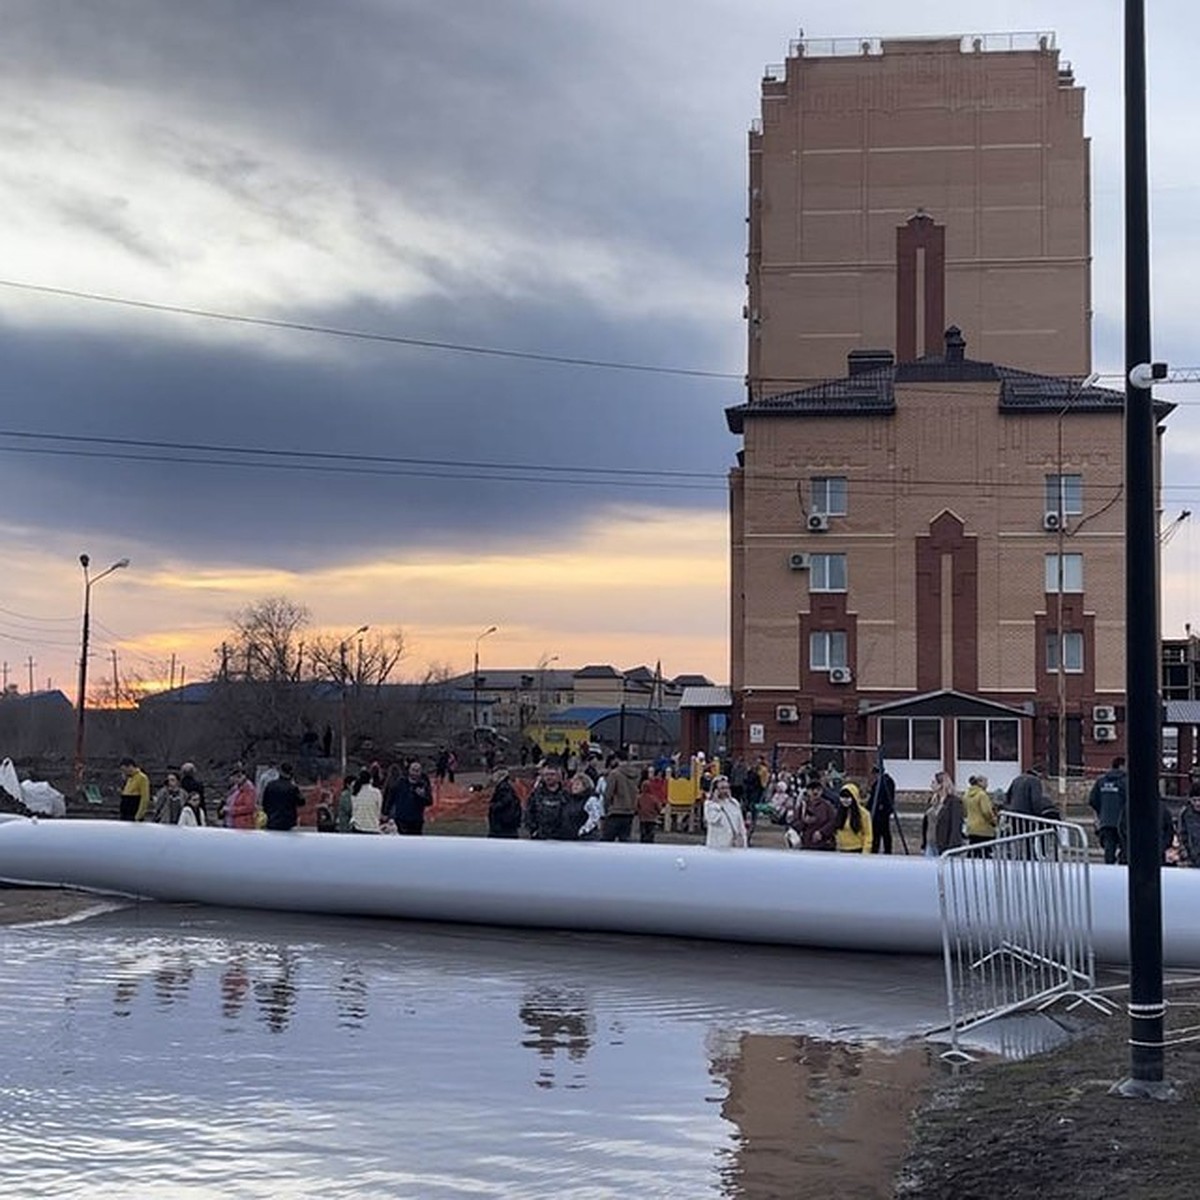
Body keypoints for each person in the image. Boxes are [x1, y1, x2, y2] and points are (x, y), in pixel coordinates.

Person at [1088, 757, 1128, 865]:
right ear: (1121, 766)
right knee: (1125, 850)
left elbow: (1092, 800)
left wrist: (1101, 813)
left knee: (1109, 850)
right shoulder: (1126, 782)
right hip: (1123, 823)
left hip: (1106, 822)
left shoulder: (1101, 781)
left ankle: (1109, 870)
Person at [387, 759, 434, 835]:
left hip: (416, 820)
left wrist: (422, 796)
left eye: (417, 770)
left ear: (420, 772)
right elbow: (391, 797)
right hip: (401, 819)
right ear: (409, 770)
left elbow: (429, 801)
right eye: (413, 770)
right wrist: (386, 812)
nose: (415, 773)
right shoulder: (400, 782)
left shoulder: (423, 784)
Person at [791, 776, 838, 850]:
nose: (815, 792)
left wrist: (822, 832)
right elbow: (795, 823)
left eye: (818, 789)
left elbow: (833, 822)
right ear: (807, 791)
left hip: (824, 845)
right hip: (807, 844)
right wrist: (804, 822)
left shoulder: (827, 806)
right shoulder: (803, 805)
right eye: (812, 789)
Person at [525, 764, 570, 840]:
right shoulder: (536, 795)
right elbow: (528, 814)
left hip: (561, 838)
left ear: (559, 777)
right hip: (540, 838)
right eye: (546, 775)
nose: (549, 777)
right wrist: (533, 830)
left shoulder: (566, 795)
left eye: (552, 774)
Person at [602, 752, 640, 842]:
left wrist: (606, 808)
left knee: (607, 841)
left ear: (617, 759)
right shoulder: (636, 774)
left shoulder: (615, 774)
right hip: (629, 812)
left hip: (615, 811)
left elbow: (608, 794)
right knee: (625, 841)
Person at [704, 776, 748, 849]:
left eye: (727, 788)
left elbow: (740, 824)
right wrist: (717, 803)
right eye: (722, 788)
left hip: (734, 845)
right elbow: (712, 819)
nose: (725, 791)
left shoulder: (734, 803)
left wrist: (743, 840)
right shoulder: (710, 805)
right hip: (717, 846)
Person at [261, 762, 305, 831]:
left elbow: (264, 803)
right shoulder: (292, 788)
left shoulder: (270, 785)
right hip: (288, 822)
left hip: (272, 820)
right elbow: (302, 802)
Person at [922, 771, 957, 856]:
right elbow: (926, 823)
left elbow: (955, 826)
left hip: (943, 845)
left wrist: (951, 847)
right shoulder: (933, 800)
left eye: (934, 782)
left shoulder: (953, 802)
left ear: (941, 785)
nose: (931, 785)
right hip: (930, 843)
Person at [834, 782, 873, 853]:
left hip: (857, 849)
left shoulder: (864, 814)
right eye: (843, 797)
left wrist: (865, 852)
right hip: (842, 850)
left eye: (848, 797)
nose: (845, 800)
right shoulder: (839, 812)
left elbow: (868, 834)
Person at [867, 763, 897, 854]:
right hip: (877, 812)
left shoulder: (887, 782)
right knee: (878, 833)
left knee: (883, 832)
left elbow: (887, 797)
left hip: (882, 812)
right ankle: (876, 850)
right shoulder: (878, 783)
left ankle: (886, 851)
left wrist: (883, 807)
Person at [487, 767, 523, 839]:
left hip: (503, 824)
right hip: (506, 823)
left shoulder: (504, 788)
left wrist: (493, 806)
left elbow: (505, 801)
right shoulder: (505, 787)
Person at [962, 775, 998, 845]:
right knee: (985, 852)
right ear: (980, 783)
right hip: (984, 829)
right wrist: (993, 821)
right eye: (986, 782)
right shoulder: (982, 795)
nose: (987, 784)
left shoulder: (966, 795)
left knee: (973, 851)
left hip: (971, 828)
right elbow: (986, 811)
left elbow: (965, 811)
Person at [348, 768, 383, 833]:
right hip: (373, 827)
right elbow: (379, 810)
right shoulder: (376, 792)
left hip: (358, 827)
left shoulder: (355, 793)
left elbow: (354, 810)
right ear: (370, 780)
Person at [118, 757, 151, 823]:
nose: (124, 772)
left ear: (130, 766)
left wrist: (139, 815)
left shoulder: (142, 778)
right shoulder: (129, 778)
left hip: (133, 810)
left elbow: (145, 798)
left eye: (124, 770)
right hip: (125, 812)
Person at [637, 770, 666, 843]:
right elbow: (658, 808)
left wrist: (639, 812)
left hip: (642, 818)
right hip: (652, 819)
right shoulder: (653, 798)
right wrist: (657, 812)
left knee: (643, 834)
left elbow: (636, 807)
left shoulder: (639, 798)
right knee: (650, 834)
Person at [1177, 785, 1200, 867]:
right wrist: (1184, 852)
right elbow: (1181, 834)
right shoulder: (1185, 813)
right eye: (1194, 800)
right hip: (1191, 857)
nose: (1198, 803)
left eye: (1199, 800)